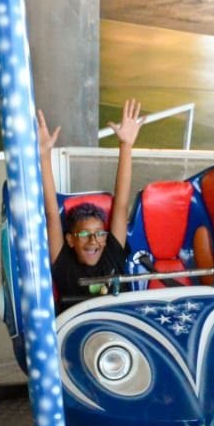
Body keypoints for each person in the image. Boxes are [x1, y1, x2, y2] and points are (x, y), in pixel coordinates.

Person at [38, 98, 144, 304]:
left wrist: (126, 145)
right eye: (85, 234)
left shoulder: (111, 253)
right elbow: (52, 213)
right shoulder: (64, 263)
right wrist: (44, 156)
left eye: (99, 233)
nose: (94, 240)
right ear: (70, 240)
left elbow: (121, 205)